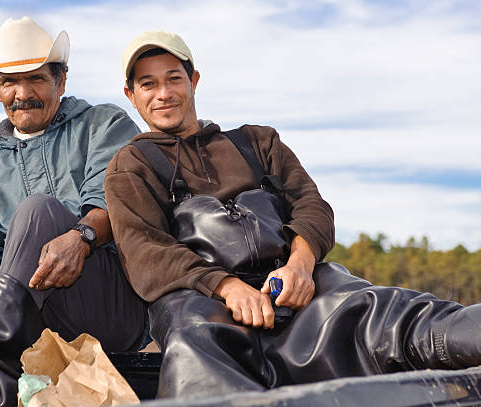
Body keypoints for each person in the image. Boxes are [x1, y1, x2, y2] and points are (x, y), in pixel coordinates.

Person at [104, 30, 481, 399]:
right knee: (195, 347)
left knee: (390, 312)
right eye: (148, 84)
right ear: (131, 96)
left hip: (295, 283)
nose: (164, 94)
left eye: (174, 78)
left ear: (194, 81)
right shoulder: (130, 166)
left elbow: (312, 207)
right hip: (201, 302)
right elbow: (146, 251)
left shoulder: (259, 141)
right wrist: (228, 287)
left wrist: (300, 266)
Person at [0, 16, 146, 352]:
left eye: (36, 78)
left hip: (109, 307)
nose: (23, 94)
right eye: (9, 82)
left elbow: (116, 200)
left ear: (60, 81)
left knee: (38, 212)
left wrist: (82, 237)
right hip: (30, 321)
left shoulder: (105, 126)